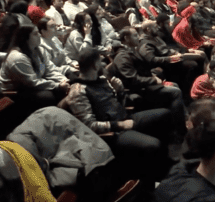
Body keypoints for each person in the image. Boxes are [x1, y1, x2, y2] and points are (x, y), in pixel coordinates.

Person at [60, 47, 173, 181]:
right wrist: (120, 125)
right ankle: (157, 177)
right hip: (112, 133)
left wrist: (119, 92)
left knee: (165, 115)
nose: (103, 65)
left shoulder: (102, 80)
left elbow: (117, 104)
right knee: (153, 145)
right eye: (100, 62)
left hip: (125, 118)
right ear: (95, 65)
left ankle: (164, 162)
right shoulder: (78, 91)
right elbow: (88, 125)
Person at [0, 24, 69, 107]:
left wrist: (63, 80)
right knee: (49, 96)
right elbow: (32, 83)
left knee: (68, 81)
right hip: (15, 92)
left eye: (38, 32)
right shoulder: (17, 58)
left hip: (31, 84)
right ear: (25, 38)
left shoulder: (38, 49)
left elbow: (48, 70)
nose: (39, 35)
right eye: (35, 34)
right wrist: (58, 85)